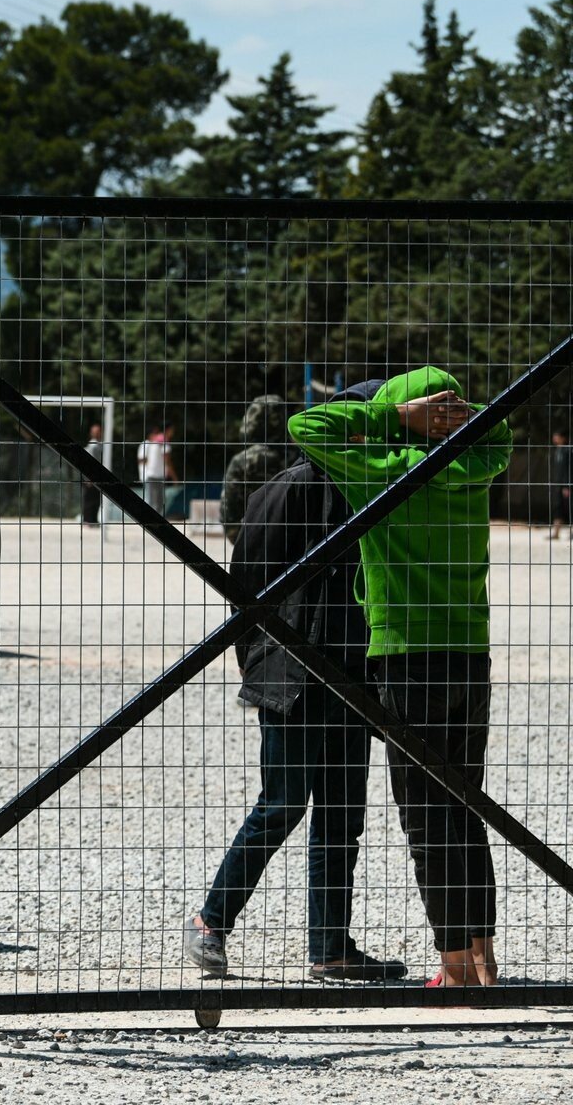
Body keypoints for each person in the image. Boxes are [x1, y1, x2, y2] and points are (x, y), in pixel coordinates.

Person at [289, 367, 511, 988]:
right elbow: (506, 427)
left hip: (406, 656)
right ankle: (483, 955)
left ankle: (453, 968)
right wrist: (459, 416)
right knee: (464, 802)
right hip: (471, 655)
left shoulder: (383, 469)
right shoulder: (475, 468)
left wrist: (395, 417)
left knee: (424, 815)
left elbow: (305, 425)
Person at [184, 381, 405, 983]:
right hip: (297, 674)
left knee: (341, 812)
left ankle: (330, 950)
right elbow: (245, 583)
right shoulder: (293, 488)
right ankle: (209, 923)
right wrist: (262, 659)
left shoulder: (363, 487)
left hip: (351, 673)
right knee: (282, 806)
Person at [220, 396, 292, 544]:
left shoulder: (242, 461)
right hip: (297, 546)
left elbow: (228, 512)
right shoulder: (301, 457)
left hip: (254, 545)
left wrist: (244, 544)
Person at [139, 425, 177, 514]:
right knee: (157, 503)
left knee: (154, 502)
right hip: (156, 475)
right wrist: (174, 476)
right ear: (168, 429)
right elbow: (166, 460)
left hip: (153, 474)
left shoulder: (154, 441)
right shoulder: (162, 441)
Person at [549, 430, 572, 540]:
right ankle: (556, 533)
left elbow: (569, 469)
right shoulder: (557, 450)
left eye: (557, 435)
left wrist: (567, 486)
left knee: (570, 508)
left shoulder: (568, 450)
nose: (554, 438)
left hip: (566, 485)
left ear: (563, 438)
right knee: (557, 507)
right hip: (557, 484)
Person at [80, 423, 104, 527]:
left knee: (96, 499)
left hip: (98, 476)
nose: (98, 433)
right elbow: (89, 462)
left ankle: (93, 520)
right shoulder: (93, 446)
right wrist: (88, 477)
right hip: (90, 477)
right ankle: (87, 520)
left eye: (99, 431)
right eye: (96, 431)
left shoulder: (100, 445)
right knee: (89, 499)